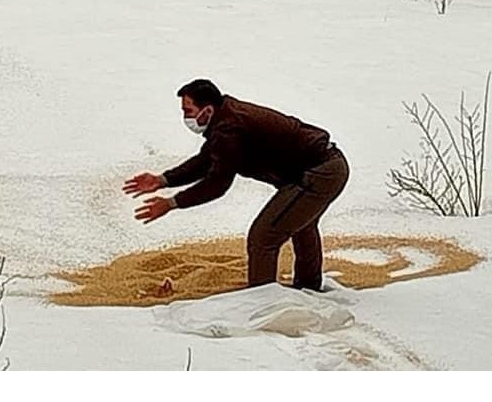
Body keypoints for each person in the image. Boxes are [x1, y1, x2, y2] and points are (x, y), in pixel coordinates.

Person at [123, 79, 350, 291]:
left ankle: (262, 304)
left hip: (320, 171)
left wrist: (172, 203)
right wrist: (163, 180)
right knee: (300, 224)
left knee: (264, 236)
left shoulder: (229, 128)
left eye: (188, 111)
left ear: (208, 110)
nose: (186, 118)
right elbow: (208, 160)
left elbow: (218, 183)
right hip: (326, 166)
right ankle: (308, 289)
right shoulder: (226, 120)